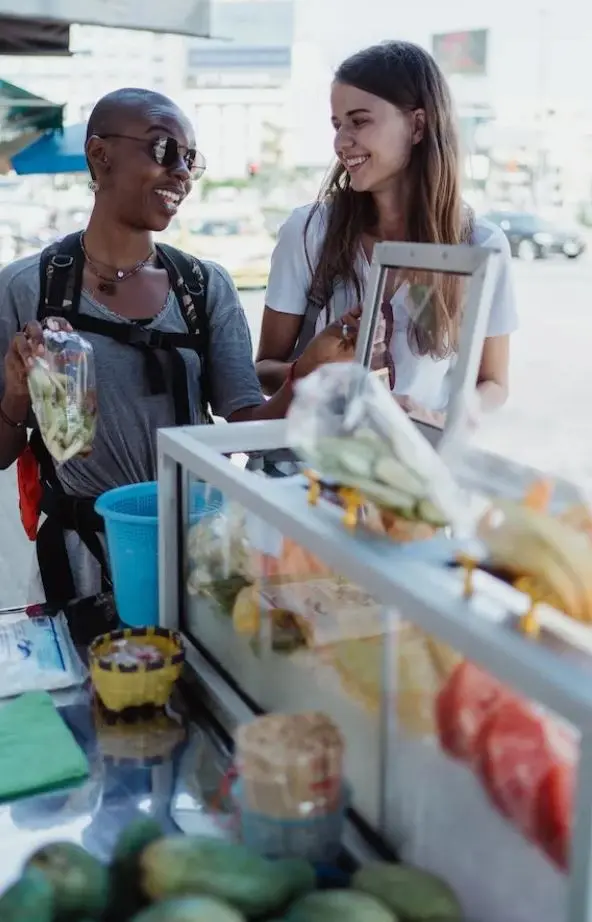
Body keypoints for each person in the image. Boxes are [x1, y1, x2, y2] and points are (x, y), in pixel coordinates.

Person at [0, 88, 355, 606]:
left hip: (195, 549)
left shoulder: (204, 288)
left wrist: (309, 370)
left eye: (191, 160)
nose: (183, 174)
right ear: (101, 155)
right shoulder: (26, 288)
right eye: (165, 151)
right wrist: (14, 395)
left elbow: (247, 426)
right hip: (80, 558)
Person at [256, 41, 517, 424]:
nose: (341, 142)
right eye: (337, 124)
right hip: (309, 474)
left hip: (413, 472)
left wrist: (440, 419)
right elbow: (263, 371)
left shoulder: (481, 246)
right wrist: (314, 369)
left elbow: (492, 383)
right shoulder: (308, 231)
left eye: (359, 121)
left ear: (417, 125)